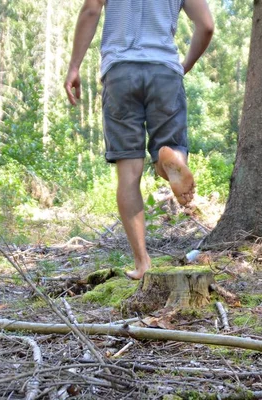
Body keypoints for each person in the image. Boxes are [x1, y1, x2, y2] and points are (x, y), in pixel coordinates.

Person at [65, 0, 214, 280]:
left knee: (129, 174)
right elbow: (206, 26)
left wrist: (74, 66)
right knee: (169, 148)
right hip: (164, 70)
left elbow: (91, 10)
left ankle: (142, 262)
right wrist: (183, 66)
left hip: (120, 71)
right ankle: (170, 159)